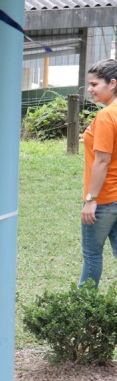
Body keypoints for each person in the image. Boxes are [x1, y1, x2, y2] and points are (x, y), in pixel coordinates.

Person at [80, 59, 117, 288]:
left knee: (92, 256)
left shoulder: (106, 116)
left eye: (94, 84)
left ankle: (81, 309)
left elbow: (102, 162)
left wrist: (90, 200)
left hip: (103, 201)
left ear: (112, 83)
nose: (90, 89)